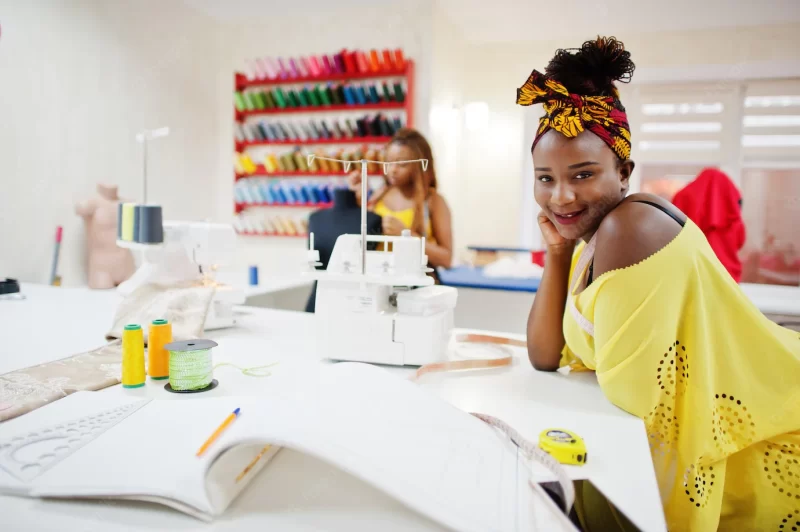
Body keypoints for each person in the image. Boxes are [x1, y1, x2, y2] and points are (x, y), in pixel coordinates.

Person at [521, 37, 800, 531]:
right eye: (545, 178)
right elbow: (546, 355)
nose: (559, 196)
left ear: (624, 173)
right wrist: (558, 255)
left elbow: (637, 414)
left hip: (763, 446)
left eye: (582, 174)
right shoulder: (591, 243)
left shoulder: (631, 230)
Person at [348, 128, 453, 270]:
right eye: (389, 162)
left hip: (415, 284)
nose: (393, 170)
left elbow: (446, 259)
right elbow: (359, 242)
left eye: (402, 164)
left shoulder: (433, 201)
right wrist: (357, 201)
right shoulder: (378, 196)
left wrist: (407, 236)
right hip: (379, 279)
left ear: (420, 165)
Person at [672, 168, 746, 282]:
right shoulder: (732, 210)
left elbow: (672, 237)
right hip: (727, 277)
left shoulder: (684, 197)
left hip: (693, 274)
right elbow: (740, 241)